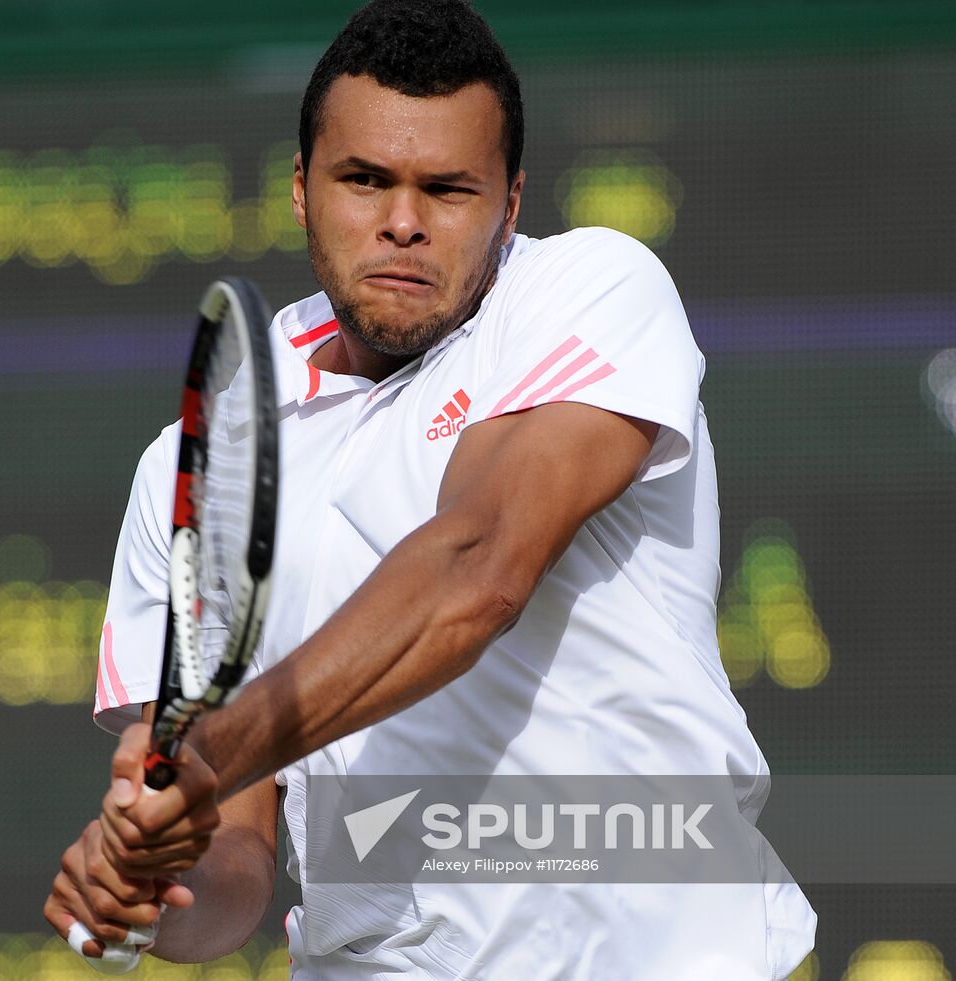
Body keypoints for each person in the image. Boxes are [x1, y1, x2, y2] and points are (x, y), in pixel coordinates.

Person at [45, 0, 817, 976]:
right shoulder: (189, 471)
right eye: (363, 181)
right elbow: (237, 862)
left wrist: (198, 757)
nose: (401, 222)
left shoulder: (588, 291)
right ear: (300, 188)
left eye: (446, 190)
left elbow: (476, 569)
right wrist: (152, 889)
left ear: (509, 201)